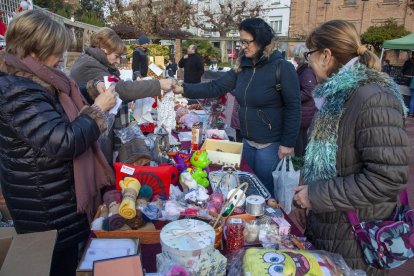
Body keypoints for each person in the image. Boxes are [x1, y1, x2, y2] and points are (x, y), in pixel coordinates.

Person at [0, 10, 117, 276]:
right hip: (45, 205)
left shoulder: (37, 79)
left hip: (54, 197)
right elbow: (62, 140)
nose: (62, 57)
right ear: (36, 49)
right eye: (57, 50)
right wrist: (97, 110)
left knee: (66, 260)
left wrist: (88, 93)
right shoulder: (16, 91)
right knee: (57, 265)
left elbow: (55, 114)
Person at [293, 20, 409, 274]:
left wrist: (316, 195)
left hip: (357, 237)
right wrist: (304, 201)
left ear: (326, 55)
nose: (308, 62)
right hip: (331, 224)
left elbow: (388, 178)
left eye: (309, 54)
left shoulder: (373, 96)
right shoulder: (336, 94)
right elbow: (319, 156)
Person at [173, 18, 301, 196]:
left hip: (270, 144)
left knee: (264, 193)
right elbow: (216, 86)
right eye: (241, 41)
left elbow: (294, 107)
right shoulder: (243, 66)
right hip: (247, 141)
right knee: (246, 187)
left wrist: (287, 143)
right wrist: (183, 88)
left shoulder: (282, 68)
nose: (243, 46)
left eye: (247, 42)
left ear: (262, 41)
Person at [70, 27, 174, 163]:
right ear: (103, 48)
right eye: (116, 56)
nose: (118, 61)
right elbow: (121, 90)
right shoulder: (88, 65)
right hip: (93, 133)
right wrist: (158, 85)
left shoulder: (92, 62)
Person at [292, 44, 317, 157]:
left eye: (296, 57)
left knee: (299, 138)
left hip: (304, 111)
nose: (294, 59)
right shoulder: (303, 69)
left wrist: (293, 97)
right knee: (301, 136)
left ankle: (299, 161)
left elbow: (309, 91)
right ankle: (301, 159)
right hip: (305, 111)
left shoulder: (306, 71)